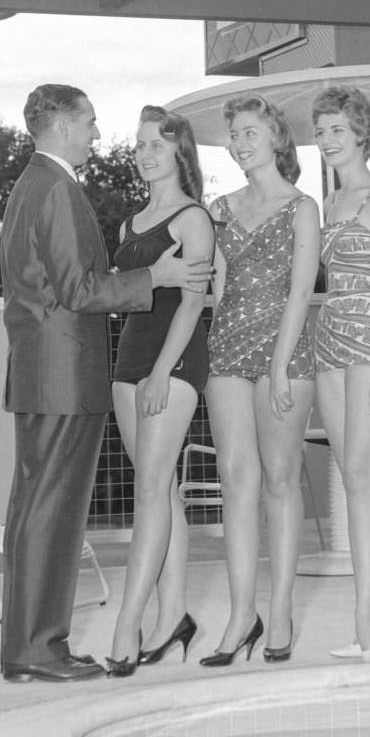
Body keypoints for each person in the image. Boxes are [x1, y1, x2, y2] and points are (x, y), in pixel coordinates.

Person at [0, 83, 209, 684]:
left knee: (34, 510)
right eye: (89, 122)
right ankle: (39, 649)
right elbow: (80, 290)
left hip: (42, 373)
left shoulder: (30, 186)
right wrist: (155, 274)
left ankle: (26, 647)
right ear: (62, 125)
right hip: (63, 377)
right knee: (53, 514)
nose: (96, 133)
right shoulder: (59, 190)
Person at [201, 94, 320, 667]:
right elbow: (219, 287)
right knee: (234, 479)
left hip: (285, 354)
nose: (240, 142)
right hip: (227, 351)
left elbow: (302, 289)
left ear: (276, 138)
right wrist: (216, 347)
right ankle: (240, 613)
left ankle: (279, 611)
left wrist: (277, 363)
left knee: (280, 479)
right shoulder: (220, 208)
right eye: (234, 134)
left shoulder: (302, 208)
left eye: (250, 132)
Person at [104, 107, 215, 677]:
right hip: (128, 363)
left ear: (179, 153)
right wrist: (137, 372)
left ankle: (129, 624)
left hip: (170, 364)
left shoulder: (193, 218)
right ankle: (174, 616)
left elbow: (194, 303)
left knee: (149, 492)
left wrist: (160, 373)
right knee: (162, 491)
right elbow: (125, 295)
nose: (145, 154)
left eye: (156, 145)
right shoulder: (129, 225)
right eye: (140, 145)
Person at [309, 83, 370, 662]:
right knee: (349, 478)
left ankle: (365, 620)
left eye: (337, 130)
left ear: (361, 135)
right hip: (331, 337)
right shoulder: (331, 203)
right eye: (320, 131)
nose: (327, 140)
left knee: (362, 474)